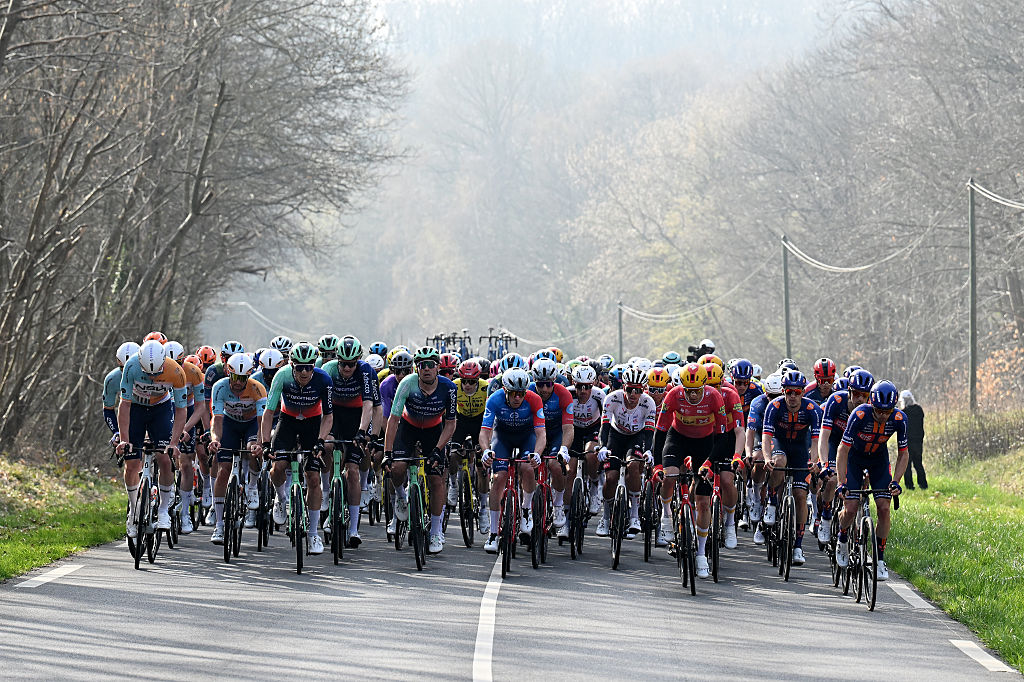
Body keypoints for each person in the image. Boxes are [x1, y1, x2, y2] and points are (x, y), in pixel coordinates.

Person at [900, 390, 927, 490]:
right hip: (918, 442)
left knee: (907, 466)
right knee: (918, 464)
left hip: (907, 442)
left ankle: (909, 486)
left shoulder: (904, 412)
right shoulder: (919, 410)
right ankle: (923, 485)